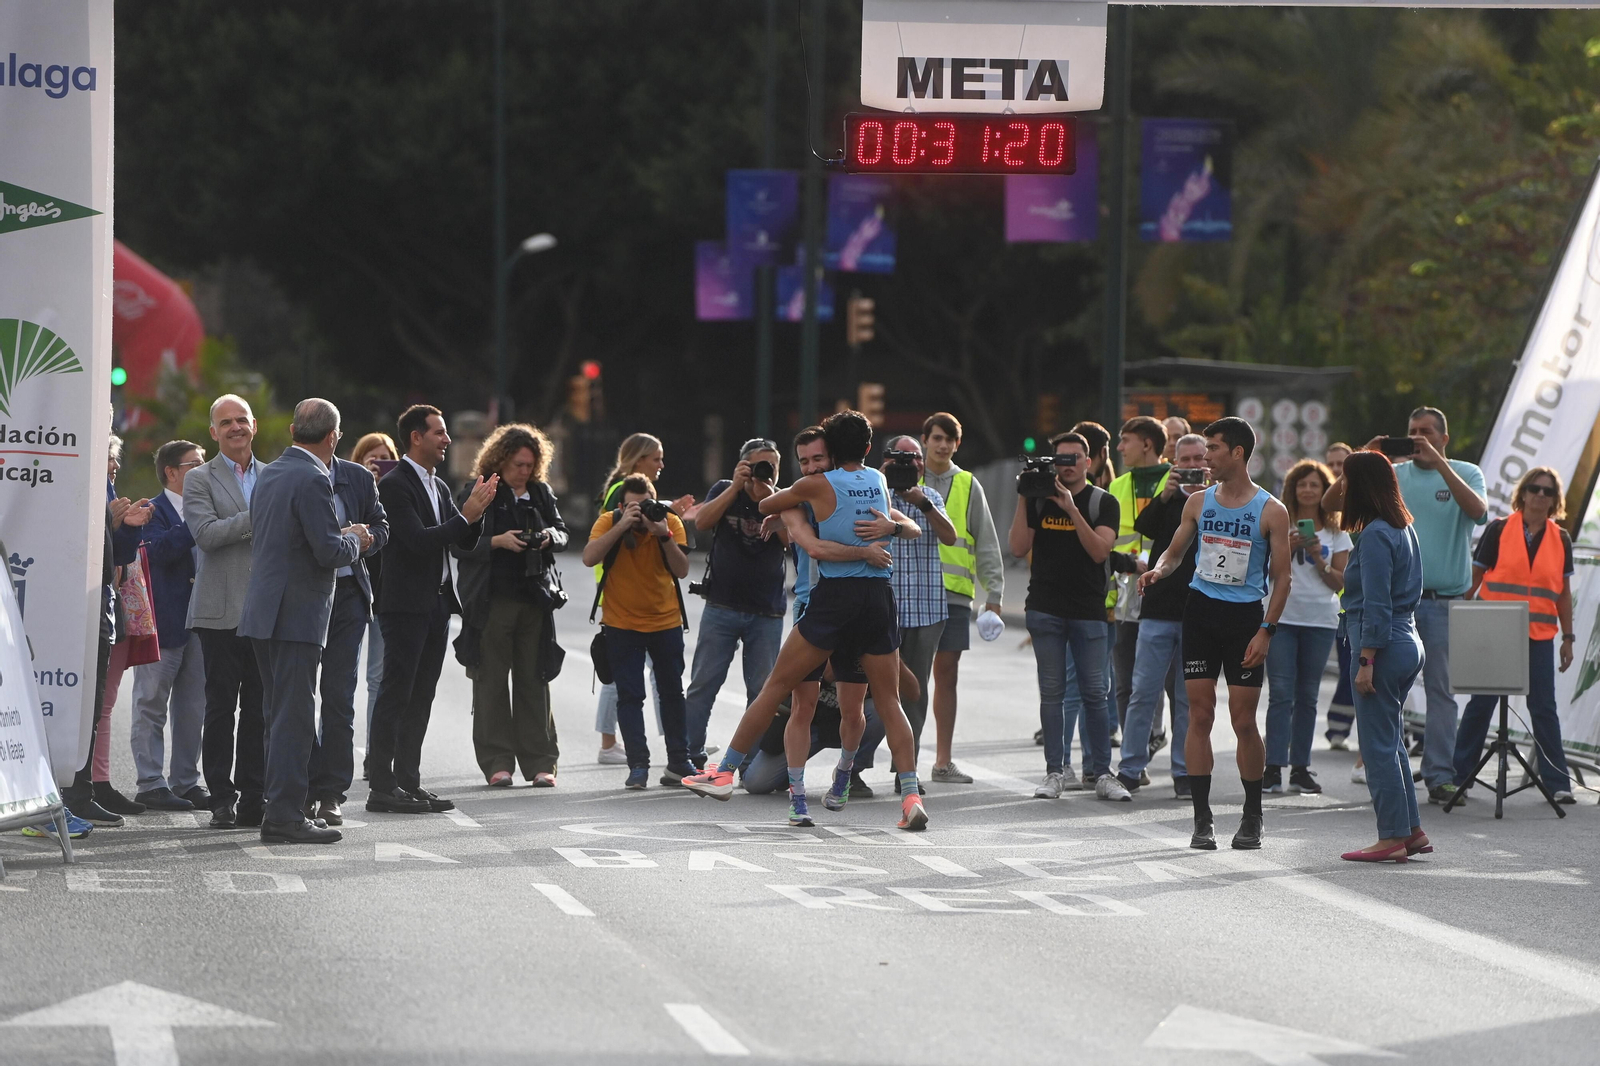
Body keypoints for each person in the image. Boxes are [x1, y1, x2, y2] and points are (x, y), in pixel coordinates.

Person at [683, 410, 931, 832]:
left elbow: (767, 503)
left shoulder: (815, 485)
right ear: (869, 449)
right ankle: (909, 796)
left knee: (776, 686)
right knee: (889, 702)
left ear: (830, 452)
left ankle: (724, 772)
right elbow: (902, 524)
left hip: (835, 597)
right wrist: (889, 526)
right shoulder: (878, 480)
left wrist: (790, 513)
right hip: (877, 596)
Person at [1139, 417, 1291, 850]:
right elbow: (1174, 551)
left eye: (1214, 449)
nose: (1206, 457)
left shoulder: (1270, 510)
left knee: (1243, 720)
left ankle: (1252, 816)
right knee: (1199, 715)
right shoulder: (1198, 502)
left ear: (1238, 453)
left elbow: (1282, 580)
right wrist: (1159, 570)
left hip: (1245, 620)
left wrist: (1267, 631)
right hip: (1201, 614)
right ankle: (1202, 820)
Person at [1328, 408, 1485, 805]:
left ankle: (1439, 775)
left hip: (1442, 601)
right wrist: (1367, 455)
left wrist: (1439, 464)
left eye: (1426, 433)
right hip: (1398, 607)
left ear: (1444, 438)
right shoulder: (1393, 473)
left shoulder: (1466, 473)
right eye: (1412, 433)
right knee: (1386, 695)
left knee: (1441, 692)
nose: (1417, 440)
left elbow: (1478, 512)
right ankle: (1392, 776)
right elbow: (1332, 502)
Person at [237, 399, 367, 845]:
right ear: (332, 437)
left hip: (264, 610)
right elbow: (328, 550)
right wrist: (356, 540)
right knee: (292, 719)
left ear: (294, 430)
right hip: (296, 614)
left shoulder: (270, 472)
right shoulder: (313, 477)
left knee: (278, 715)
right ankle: (286, 815)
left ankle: (280, 806)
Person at [367, 404, 496, 814]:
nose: (447, 440)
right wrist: (467, 516)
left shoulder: (438, 486)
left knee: (422, 695)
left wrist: (475, 517)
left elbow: (459, 543)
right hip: (404, 606)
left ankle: (409, 781)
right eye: (439, 433)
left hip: (437, 604)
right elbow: (417, 542)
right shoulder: (395, 484)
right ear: (416, 437)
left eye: (446, 432)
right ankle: (382, 786)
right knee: (396, 693)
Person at [1011, 431, 1125, 801]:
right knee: (1053, 693)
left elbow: (1099, 552)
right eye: (1061, 459)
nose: (1068, 465)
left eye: (1075, 458)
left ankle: (1102, 773)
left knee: (1096, 692)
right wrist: (1025, 496)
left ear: (1088, 462)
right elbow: (1016, 547)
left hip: (1089, 611)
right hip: (1045, 608)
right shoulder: (1038, 500)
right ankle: (1054, 772)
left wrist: (1071, 508)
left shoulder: (1102, 502)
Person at [454, 423, 568, 787]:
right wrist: (497, 541)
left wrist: (549, 536)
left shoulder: (540, 492)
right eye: (519, 464)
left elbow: (563, 532)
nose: (525, 471)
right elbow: (457, 542)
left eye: (530, 465)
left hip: (535, 598)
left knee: (535, 681)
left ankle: (540, 764)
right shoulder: (480, 490)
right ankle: (497, 763)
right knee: (490, 683)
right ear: (500, 460)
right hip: (491, 600)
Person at [1454, 467, 1577, 804]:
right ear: (1522, 493)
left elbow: (1563, 594)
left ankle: (1557, 783)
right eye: (1534, 488)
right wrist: (1460, 624)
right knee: (1481, 703)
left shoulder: (1560, 538)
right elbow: (1473, 580)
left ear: (1555, 500)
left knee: (1543, 707)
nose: (1540, 495)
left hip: (1539, 634)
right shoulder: (1498, 529)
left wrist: (1569, 638)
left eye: (1547, 491)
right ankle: (1459, 777)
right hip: (1495, 632)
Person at [768, 425, 876, 810]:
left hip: (851, 608)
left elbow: (895, 523)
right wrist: (783, 514)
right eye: (804, 461)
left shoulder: (854, 489)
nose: (811, 467)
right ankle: (798, 796)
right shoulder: (799, 496)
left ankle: (845, 772)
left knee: (854, 708)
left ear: (833, 458)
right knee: (802, 705)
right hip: (809, 609)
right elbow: (785, 519)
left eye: (818, 458)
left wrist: (894, 527)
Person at [1337, 451, 1428, 862]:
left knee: (1376, 746)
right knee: (1390, 743)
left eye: (1346, 479)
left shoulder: (1374, 533)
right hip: (1407, 638)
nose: (1342, 487)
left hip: (1381, 643)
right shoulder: (1402, 526)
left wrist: (1366, 659)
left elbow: (1376, 601)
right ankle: (1410, 830)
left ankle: (1390, 837)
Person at [64, 436, 155, 827]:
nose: (114, 467)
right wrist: (113, 521)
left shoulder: (108, 487)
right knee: (79, 703)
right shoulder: (76, 478)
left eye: (116, 461)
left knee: (96, 703)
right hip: (72, 606)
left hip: (102, 603)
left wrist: (126, 528)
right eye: (110, 460)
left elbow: (116, 554)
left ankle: (84, 790)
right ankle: (73, 792)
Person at [580, 475, 692, 789]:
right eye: (633, 507)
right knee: (630, 696)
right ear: (620, 506)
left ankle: (678, 761)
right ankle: (638, 766)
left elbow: (682, 570)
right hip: (621, 624)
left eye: (645, 506)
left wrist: (663, 534)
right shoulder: (608, 521)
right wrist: (621, 526)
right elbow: (589, 557)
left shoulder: (669, 523)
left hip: (665, 622)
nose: (641, 512)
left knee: (672, 694)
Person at [186, 394, 267, 829]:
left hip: (266, 613)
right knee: (220, 707)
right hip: (218, 613)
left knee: (259, 709)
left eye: (242, 420)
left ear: (254, 426)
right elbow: (205, 535)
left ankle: (255, 796)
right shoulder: (199, 478)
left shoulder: (274, 476)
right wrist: (258, 515)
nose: (235, 427)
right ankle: (220, 796)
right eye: (226, 422)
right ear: (213, 432)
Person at [684, 438, 788, 765]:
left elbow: (792, 542)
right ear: (742, 466)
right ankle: (687, 756)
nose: (763, 472)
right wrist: (736, 487)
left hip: (767, 611)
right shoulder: (724, 489)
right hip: (722, 606)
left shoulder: (784, 499)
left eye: (770, 466)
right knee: (703, 685)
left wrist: (770, 499)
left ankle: (750, 764)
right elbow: (702, 522)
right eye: (757, 465)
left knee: (761, 693)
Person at [303, 428, 389, 825]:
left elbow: (380, 525)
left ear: (335, 437)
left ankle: (330, 792)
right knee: (298, 696)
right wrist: (340, 539)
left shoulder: (356, 477)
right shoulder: (291, 476)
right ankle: (299, 785)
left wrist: (364, 539)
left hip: (350, 596)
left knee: (338, 696)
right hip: (302, 597)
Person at [1117, 432, 1206, 797]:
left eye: (1198, 459)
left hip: (1198, 612)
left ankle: (1183, 772)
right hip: (1157, 609)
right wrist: (1166, 494)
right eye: (1183, 461)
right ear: (1173, 463)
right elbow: (1145, 527)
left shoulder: (1217, 500)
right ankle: (1130, 768)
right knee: (1143, 692)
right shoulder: (1167, 498)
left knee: (1188, 698)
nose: (1190, 467)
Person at [919, 412, 1004, 784]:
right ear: (925, 440)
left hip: (954, 595)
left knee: (946, 676)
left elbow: (986, 542)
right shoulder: (906, 479)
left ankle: (942, 761)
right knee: (909, 678)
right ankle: (902, 764)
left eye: (949, 439)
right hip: (911, 592)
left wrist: (995, 594)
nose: (942, 445)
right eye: (936, 437)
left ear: (957, 444)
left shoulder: (969, 485)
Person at [129, 440, 211, 815]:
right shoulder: (151, 510)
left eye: (204, 462)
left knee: (194, 708)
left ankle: (186, 780)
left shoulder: (209, 507)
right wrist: (197, 519)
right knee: (150, 704)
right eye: (195, 464)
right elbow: (158, 552)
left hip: (203, 623)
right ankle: (150, 783)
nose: (203, 469)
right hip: (162, 623)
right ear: (171, 472)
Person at [1263, 459, 1349, 796]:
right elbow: (1266, 574)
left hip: (1320, 620)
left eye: (1315, 484)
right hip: (1282, 618)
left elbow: (1339, 583)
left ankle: (1300, 767)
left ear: (1324, 490)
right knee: (1281, 694)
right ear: (1292, 489)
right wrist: (1288, 548)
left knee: (1308, 696)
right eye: (1302, 484)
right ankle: (1272, 768)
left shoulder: (1337, 532)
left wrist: (1318, 558)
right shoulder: (1277, 525)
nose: (1308, 490)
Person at [880, 435, 956, 767]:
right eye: (900, 459)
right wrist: (883, 480)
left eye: (913, 459)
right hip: (885, 610)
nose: (908, 465)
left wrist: (922, 501)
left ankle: (905, 769)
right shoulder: (873, 492)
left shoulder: (932, 496)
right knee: (870, 691)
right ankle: (855, 768)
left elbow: (950, 536)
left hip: (927, 610)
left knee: (916, 693)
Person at [1109, 417, 1172, 742]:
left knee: (1164, 679)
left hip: (1166, 593)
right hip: (1124, 597)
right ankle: (1137, 750)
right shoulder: (1117, 485)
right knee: (1125, 682)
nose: (1119, 448)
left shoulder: (1176, 480)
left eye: (1126, 440)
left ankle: (1158, 736)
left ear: (1147, 444)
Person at [349, 431, 397, 777]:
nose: (378, 462)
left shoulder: (399, 491)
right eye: (371, 457)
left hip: (384, 595)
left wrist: (386, 488)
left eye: (385, 457)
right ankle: (327, 755)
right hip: (349, 590)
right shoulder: (348, 486)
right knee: (340, 679)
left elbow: (394, 530)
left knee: (378, 679)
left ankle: (374, 757)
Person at [1322, 442, 1357, 750]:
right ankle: (1338, 727)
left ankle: (1340, 725)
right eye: (1330, 464)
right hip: (1338, 606)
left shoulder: (1364, 506)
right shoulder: (1325, 510)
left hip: (1361, 600)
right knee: (1348, 667)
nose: (1335, 470)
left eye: (1341, 464)